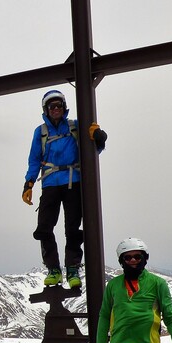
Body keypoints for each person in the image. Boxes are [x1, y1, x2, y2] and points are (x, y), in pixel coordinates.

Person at [22, 90, 107, 289]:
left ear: (64, 106)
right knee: (44, 227)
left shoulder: (75, 126)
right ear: (46, 109)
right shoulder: (40, 132)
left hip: (73, 182)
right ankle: (53, 269)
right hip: (50, 183)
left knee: (73, 228)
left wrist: (99, 138)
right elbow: (34, 159)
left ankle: (72, 268)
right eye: (52, 106)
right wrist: (29, 183)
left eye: (59, 105)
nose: (56, 109)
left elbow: (92, 150)